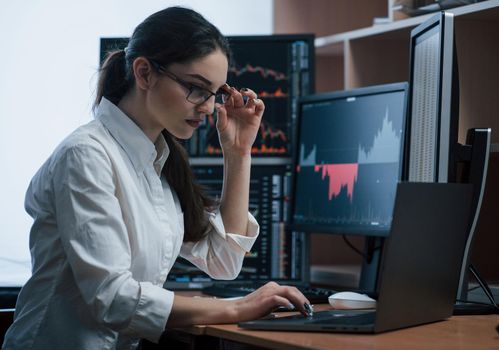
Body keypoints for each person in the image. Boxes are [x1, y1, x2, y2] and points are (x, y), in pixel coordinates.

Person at [2, 6, 310, 350]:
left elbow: (223, 261)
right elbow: (113, 298)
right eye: (196, 88)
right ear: (145, 73)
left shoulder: (157, 163)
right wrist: (237, 307)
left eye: (215, 94)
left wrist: (238, 153)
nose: (208, 108)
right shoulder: (86, 156)